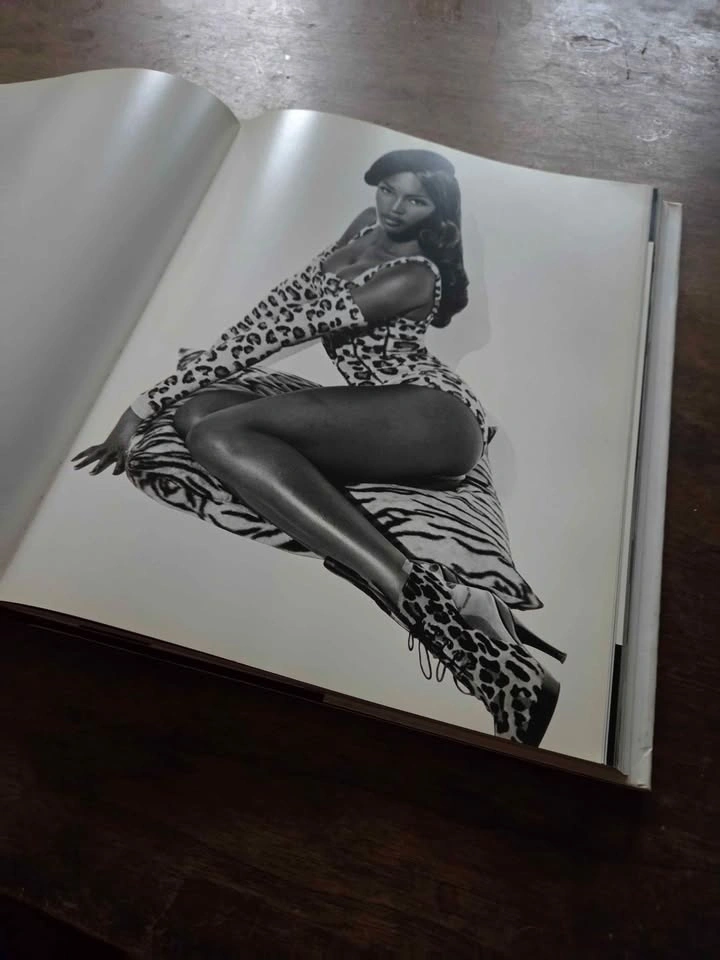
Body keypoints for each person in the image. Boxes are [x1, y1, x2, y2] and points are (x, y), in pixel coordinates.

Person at [73, 149, 562, 746]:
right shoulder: (363, 228)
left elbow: (282, 333)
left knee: (216, 433)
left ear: (437, 211)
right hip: (376, 409)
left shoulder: (414, 274)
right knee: (198, 411)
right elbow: (275, 309)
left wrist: (139, 405)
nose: (395, 207)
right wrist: (192, 377)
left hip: (434, 416)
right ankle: (462, 606)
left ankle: (430, 612)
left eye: (415, 200)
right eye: (388, 189)